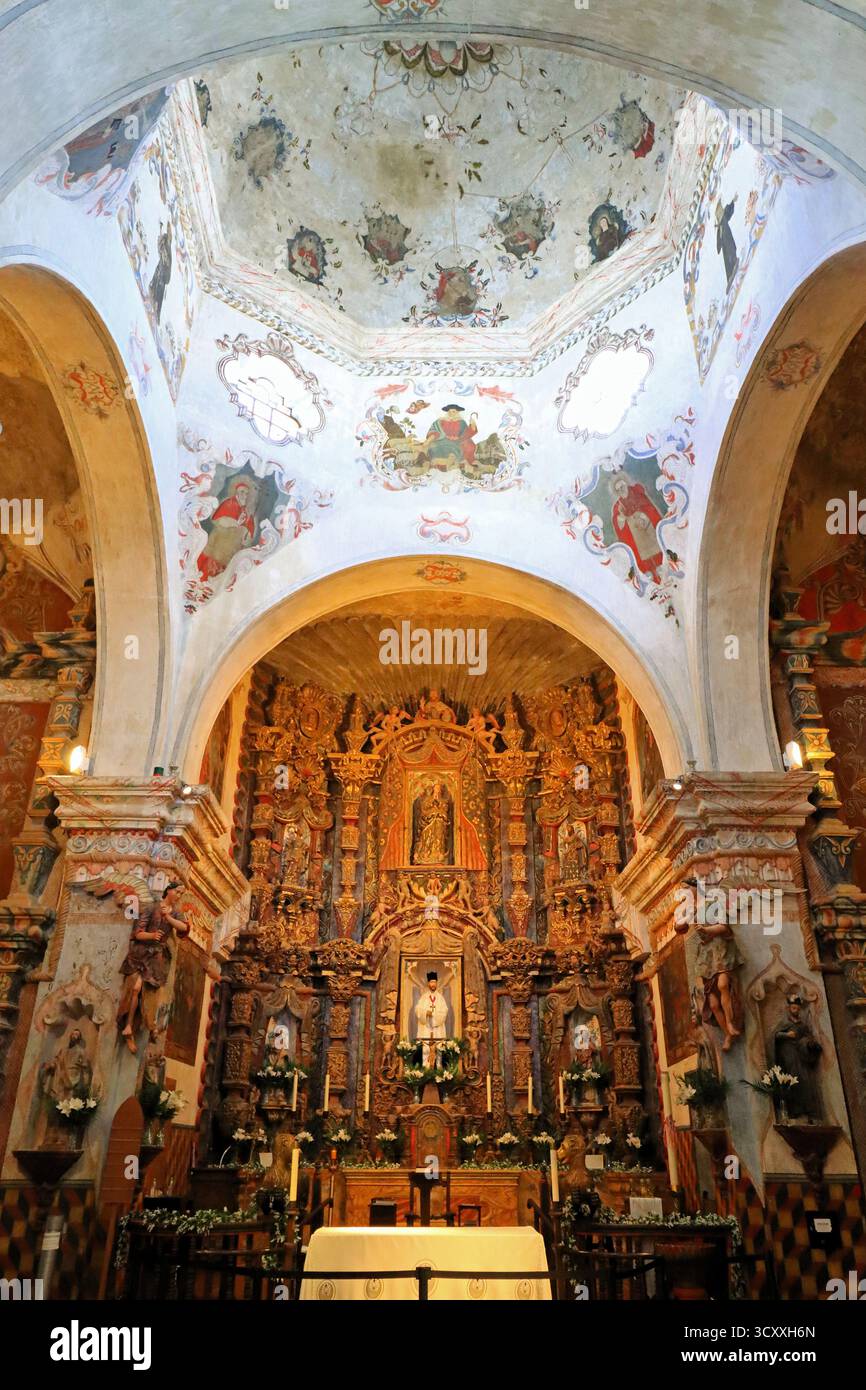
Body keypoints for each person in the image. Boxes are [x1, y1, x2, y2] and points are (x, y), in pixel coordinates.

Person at [117, 883, 188, 1053]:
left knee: (152, 994)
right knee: (135, 988)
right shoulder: (151, 908)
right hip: (141, 954)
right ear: (168, 891)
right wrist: (152, 935)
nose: (179, 895)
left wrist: (169, 918)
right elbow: (137, 933)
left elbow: (184, 928)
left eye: (181, 893)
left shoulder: (176, 912)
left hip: (157, 958)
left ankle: (146, 1025)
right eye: (177, 891)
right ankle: (128, 1025)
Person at [774, 994, 822, 1120]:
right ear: (789, 1009)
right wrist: (787, 1035)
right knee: (792, 1078)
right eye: (793, 1008)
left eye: (797, 1008)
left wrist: (809, 1043)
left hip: (801, 1055)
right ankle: (795, 1110)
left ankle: (808, 1109)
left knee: (805, 1080)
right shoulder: (785, 1022)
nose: (795, 1010)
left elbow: (808, 1037)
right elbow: (776, 1035)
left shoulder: (802, 1025)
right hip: (788, 1054)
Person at [414, 971, 449, 1067]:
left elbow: (444, 1011)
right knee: (425, 1049)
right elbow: (417, 1009)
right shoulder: (424, 997)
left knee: (438, 1048)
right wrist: (425, 1013)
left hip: (437, 1028)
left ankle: (439, 1069)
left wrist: (433, 1014)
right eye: (431, 982)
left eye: (434, 982)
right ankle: (425, 1069)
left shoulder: (441, 998)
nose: (433, 984)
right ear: (428, 984)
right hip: (426, 1027)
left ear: (437, 983)